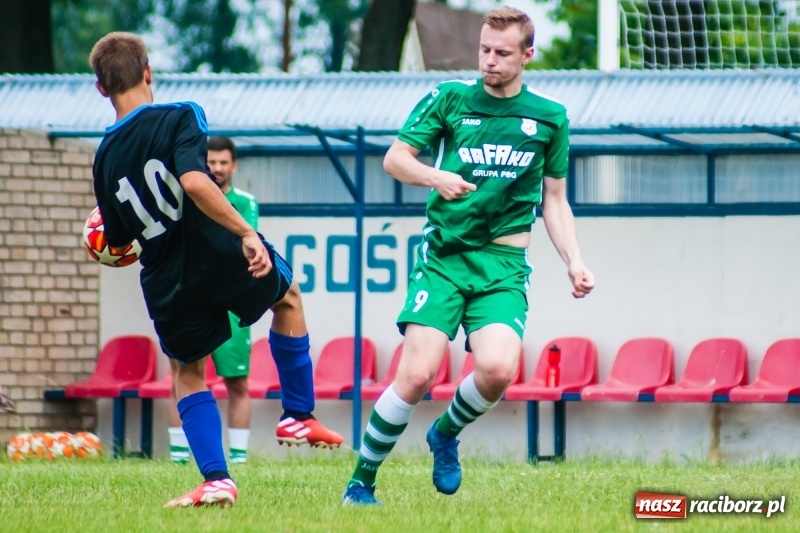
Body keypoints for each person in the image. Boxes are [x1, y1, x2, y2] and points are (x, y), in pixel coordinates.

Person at [342, 6, 595, 506]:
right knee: (416, 375)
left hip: (503, 266)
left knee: (498, 370)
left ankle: (445, 433)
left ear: (527, 55)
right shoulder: (450, 97)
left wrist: (574, 260)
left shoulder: (550, 116)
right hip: (444, 258)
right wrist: (435, 177)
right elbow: (395, 159)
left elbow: (555, 200)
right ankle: (361, 482)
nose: (489, 60)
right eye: (484, 50)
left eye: (502, 53)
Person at [88, 32, 339, 508]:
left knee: (187, 372)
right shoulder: (181, 114)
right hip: (214, 248)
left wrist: (99, 244)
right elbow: (195, 181)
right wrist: (246, 231)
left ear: (101, 89)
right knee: (287, 298)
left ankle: (217, 479)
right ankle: (297, 415)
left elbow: (118, 241)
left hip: (165, 276)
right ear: (148, 73)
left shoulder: (103, 156)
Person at [167, 136, 343, 466]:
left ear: (233, 166)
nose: (217, 168)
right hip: (192, 284)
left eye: (223, 162)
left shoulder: (243, 202)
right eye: (211, 162)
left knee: (229, 381)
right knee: (183, 372)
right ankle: (181, 458)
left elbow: (243, 242)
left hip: (220, 297)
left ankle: (235, 461)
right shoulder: (184, 193)